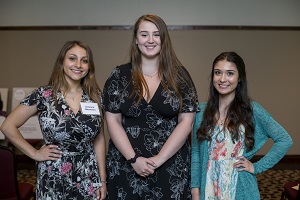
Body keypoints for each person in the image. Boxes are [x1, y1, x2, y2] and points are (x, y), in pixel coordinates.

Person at [103, 14, 199, 199]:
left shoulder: (180, 76)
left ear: (164, 39)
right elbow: (112, 121)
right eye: (144, 34)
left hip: (170, 167)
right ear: (136, 40)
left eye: (156, 34)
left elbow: (186, 122)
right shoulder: (119, 76)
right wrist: (133, 159)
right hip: (125, 166)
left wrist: (158, 160)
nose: (150, 40)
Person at [0, 41, 107, 199]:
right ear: (62, 61)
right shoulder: (44, 95)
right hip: (54, 175)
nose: (78, 64)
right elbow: (8, 125)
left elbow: (99, 138)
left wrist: (102, 180)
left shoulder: (95, 96)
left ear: (89, 66)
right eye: (72, 58)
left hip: (88, 175)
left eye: (84, 60)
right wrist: (34, 153)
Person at [191, 51, 293, 200]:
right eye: (218, 73)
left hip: (241, 189)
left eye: (230, 73)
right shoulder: (201, 112)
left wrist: (256, 167)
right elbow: (196, 152)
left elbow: (284, 139)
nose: (223, 79)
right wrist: (195, 189)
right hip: (209, 189)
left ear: (239, 78)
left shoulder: (252, 110)